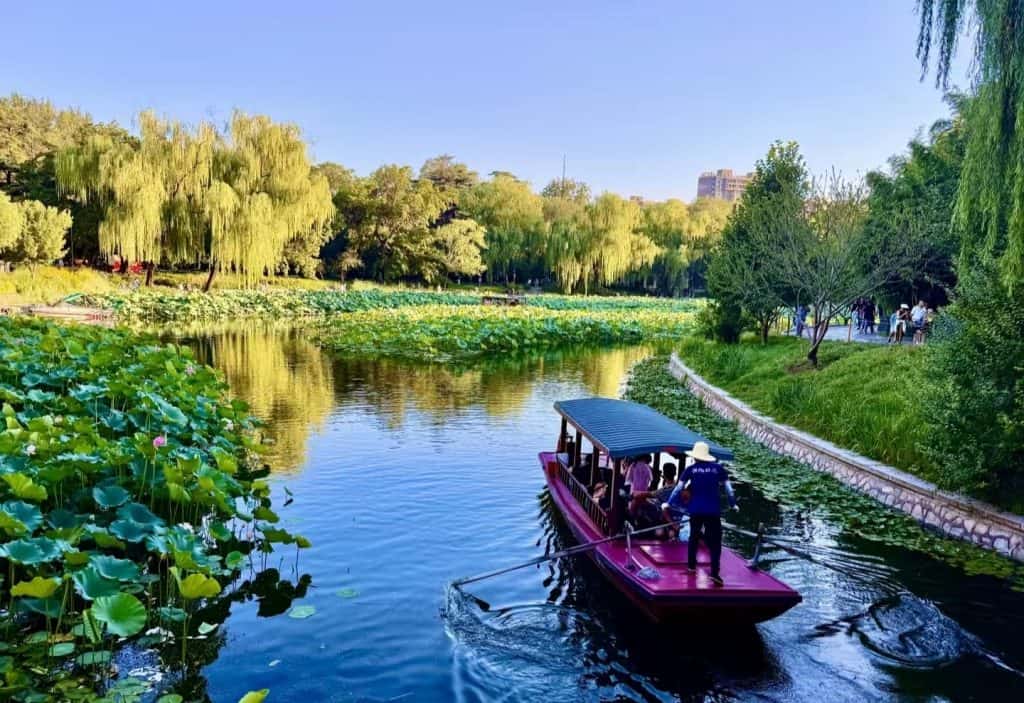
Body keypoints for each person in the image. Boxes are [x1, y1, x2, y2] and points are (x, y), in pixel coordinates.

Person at [672, 441, 737, 586]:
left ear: (695, 457)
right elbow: (729, 490)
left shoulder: (690, 469)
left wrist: (668, 503)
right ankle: (714, 572)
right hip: (713, 510)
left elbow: (678, 489)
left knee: (694, 537)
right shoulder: (718, 469)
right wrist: (733, 504)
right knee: (715, 541)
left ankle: (691, 566)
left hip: (696, 510)